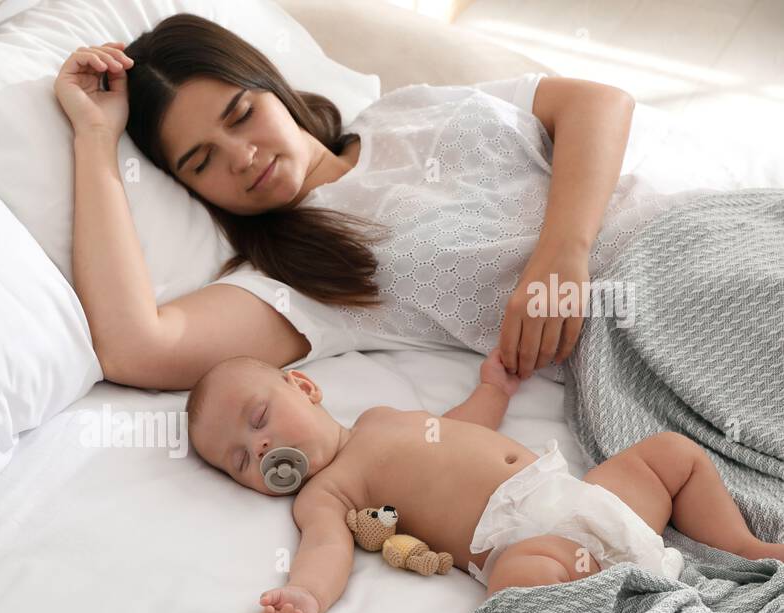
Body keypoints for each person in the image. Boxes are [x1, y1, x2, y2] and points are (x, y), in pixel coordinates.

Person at [52, 13, 672, 391]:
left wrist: (562, 255)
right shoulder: (301, 279)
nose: (240, 156)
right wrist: (95, 138)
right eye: (202, 161)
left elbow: (597, 102)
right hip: (648, 337)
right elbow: (135, 347)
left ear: (273, 88)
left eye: (241, 114)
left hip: (688, 228)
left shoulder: (402, 110)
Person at [184, 349, 784, 613]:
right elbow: (326, 549)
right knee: (514, 584)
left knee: (670, 454)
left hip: (578, 496)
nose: (259, 449)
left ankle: (746, 548)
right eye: (239, 460)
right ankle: (614, 610)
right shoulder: (325, 492)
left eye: (259, 418)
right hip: (527, 542)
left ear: (303, 386)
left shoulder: (379, 417)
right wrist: (305, 596)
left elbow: (458, 427)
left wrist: (492, 389)